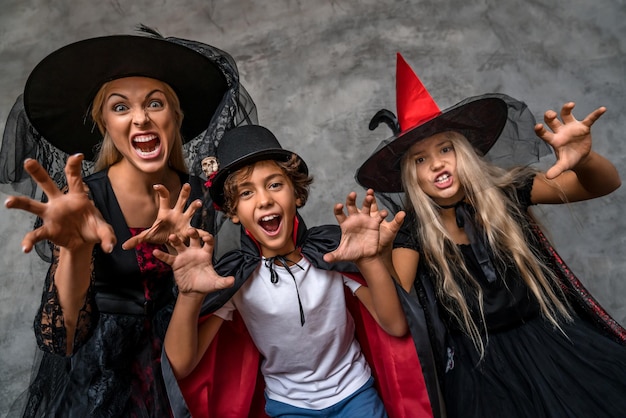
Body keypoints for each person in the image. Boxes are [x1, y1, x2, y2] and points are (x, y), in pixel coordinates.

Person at [351, 53, 626, 417]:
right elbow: (395, 320)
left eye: (444, 149)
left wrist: (585, 159)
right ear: (410, 177)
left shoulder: (506, 192)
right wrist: (372, 259)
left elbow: (604, 185)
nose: (436, 163)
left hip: (554, 343)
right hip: (482, 371)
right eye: (419, 159)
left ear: (463, 152)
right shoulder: (412, 234)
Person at [1, 30, 256, 417]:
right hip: (98, 380)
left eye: (155, 103)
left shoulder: (199, 195)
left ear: (176, 116)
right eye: (120, 108)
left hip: (176, 366)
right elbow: (61, 341)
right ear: (103, 123)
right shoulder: (85, 202)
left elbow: (202, 288)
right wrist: (74, 249)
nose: (140, 118)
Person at [154, 124, 432, 418]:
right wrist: (189, 295)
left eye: (275, 184)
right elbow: (182, 365)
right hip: (288, 407)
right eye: (246, 193)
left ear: (297, 194)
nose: (264, 200)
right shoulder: (235, 277)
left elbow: (395, 326)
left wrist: (370, 260)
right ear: (234, 212)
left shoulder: (332, 251)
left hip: (356, 394)